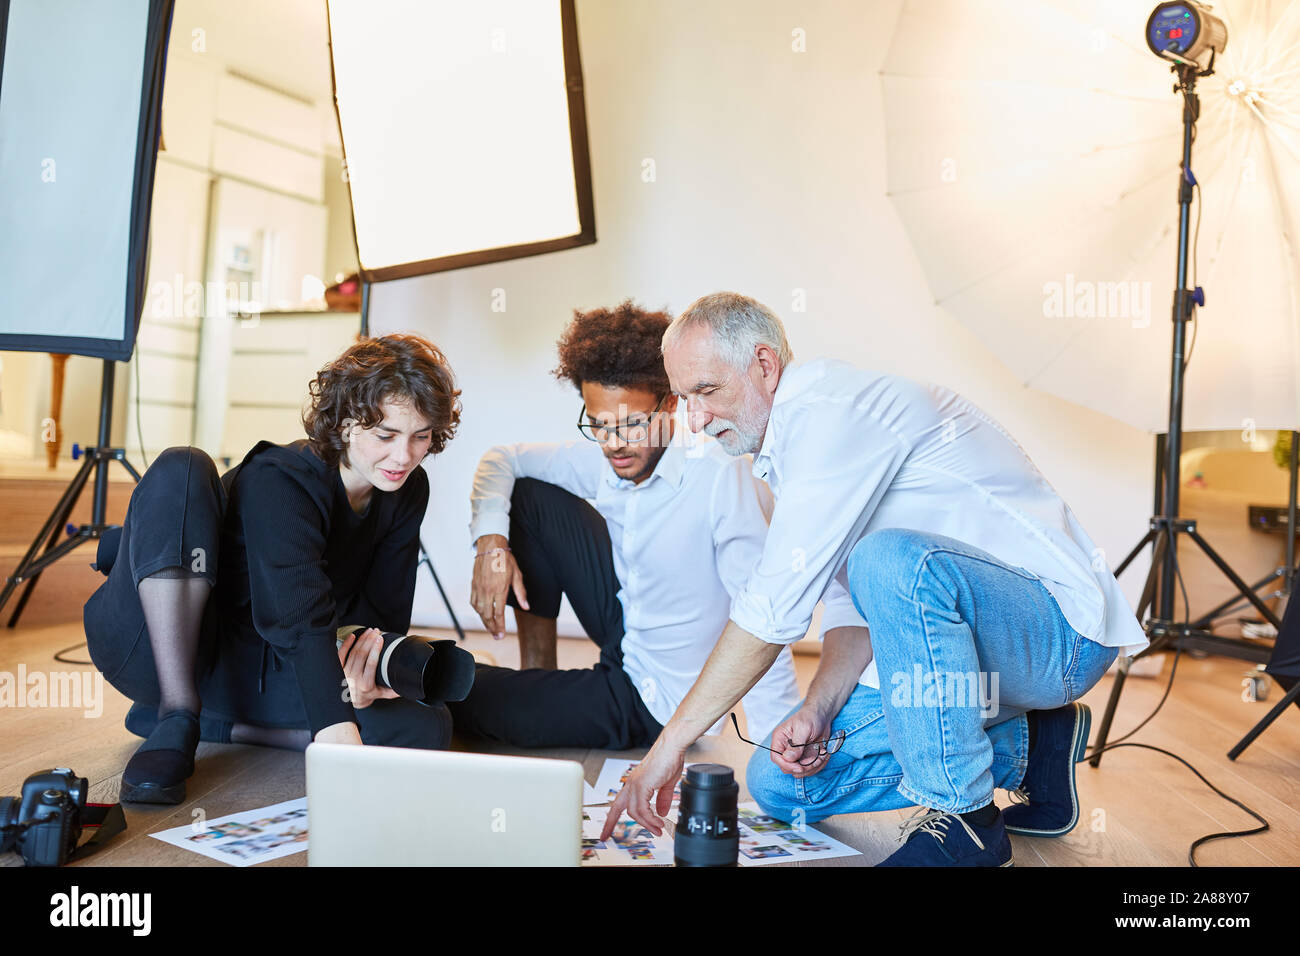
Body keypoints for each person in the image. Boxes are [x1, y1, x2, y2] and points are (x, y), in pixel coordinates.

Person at [601, 292, 1148, 867]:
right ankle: (1034, 750)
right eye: (684, 398)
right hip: (975, 662)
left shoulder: (833, 413)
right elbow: (848, 604)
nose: (694, 418)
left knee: (888, 560)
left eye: (706, 392)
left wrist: (668, 747)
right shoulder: (790, 450)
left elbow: (770, 611)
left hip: (1059, 636)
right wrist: (818, 706)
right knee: (781, 782)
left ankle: (966, 823)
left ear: (763, 365)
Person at [83, 333, 463, 804]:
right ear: (345, 422)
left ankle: (219, 724)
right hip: (156, 647)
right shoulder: (280, 476)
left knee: (425, 725)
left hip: (250, 669)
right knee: (183, 466)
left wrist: (366, 674)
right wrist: (332, 724)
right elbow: (300, 618)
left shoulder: (407, 489)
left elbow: (381, 613)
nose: (404, 456)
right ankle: (177, 713)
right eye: (386, 435)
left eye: (420, 436)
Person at [450, 300, 799, 750]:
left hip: (650, 695)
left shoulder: (719, 475)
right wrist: (491, 547)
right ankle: (538, 673)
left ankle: (524, 691)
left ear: (672, 403)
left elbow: (764, 614)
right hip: (627, 622)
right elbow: (504, 458)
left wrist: (780, 748)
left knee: (467, 698)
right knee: (531, 493)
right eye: (598, 425)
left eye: (633, 425)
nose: (614, 444)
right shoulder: (611, 455)